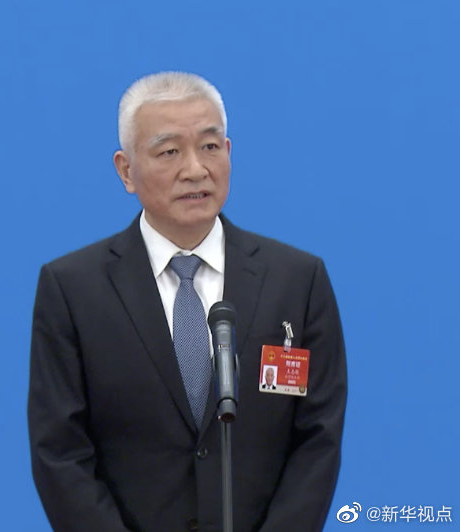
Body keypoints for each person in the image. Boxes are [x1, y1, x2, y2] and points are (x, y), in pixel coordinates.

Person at [28, 71, 347, 532]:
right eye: (169, 151)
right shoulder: (73, 289)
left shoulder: (297, 281)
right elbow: (60, 451)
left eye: (210, 146)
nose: (195, 169)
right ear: (126, 170)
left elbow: (318, 438)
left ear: (229, 152)